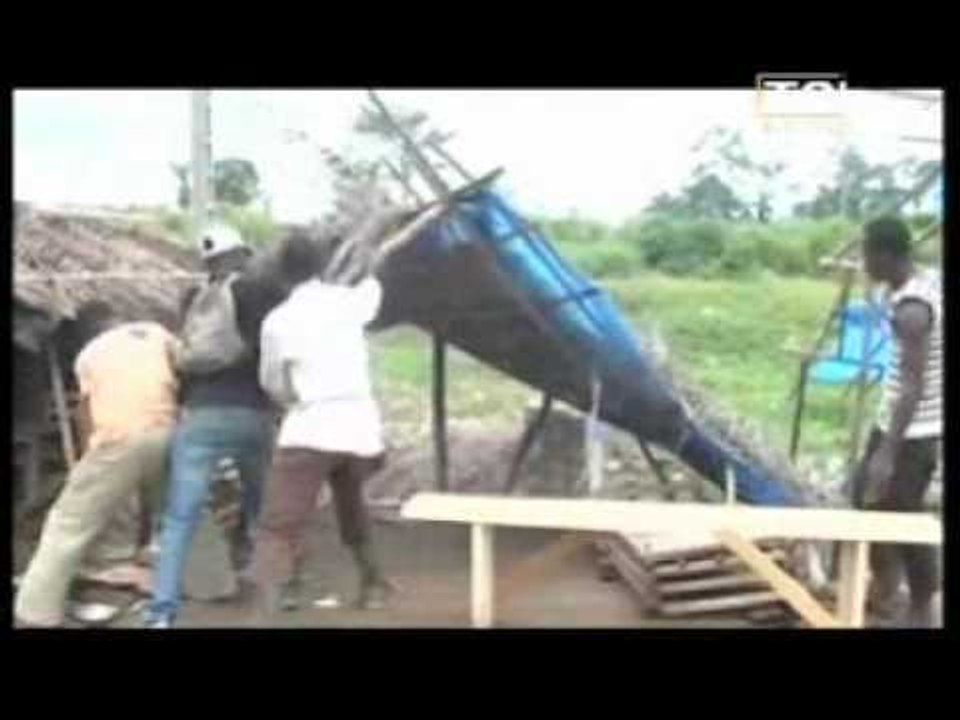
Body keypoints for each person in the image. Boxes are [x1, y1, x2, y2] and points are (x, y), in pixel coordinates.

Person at [251, 206, 448, 619]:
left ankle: (271, 608)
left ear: (282, 274)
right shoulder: (349, 304)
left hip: (310, 427)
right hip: (359, 430)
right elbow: (375, 276)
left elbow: (272, 381)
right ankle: (373, 584)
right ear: (322, 266)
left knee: (278, 525)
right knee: (351, 505)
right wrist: (399, 231)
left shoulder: (279, 321)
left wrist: (294, 400)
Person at [145, 224, 286, 628]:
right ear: (242, 254)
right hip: (252, 414)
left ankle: (161, 614)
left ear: (208, 261)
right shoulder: (260, 293)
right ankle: (270, 604)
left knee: (179, 518)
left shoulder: (194, 298)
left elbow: (184, 360)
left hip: (201, 416)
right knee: (264, 511)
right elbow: (272, 350)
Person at [15, 303, 180, 627]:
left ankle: (35, 611)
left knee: (68, 522)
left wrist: (88, 459)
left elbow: (86, 415)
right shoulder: (156, 333)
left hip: (120, 435)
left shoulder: (88, 355)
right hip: (168, 429)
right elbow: (185, 371)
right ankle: (212, 581)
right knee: (181, 511)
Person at [853, 216, 942, 628]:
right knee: (863, 497)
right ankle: (885, 587)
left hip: (912, 433)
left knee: (904, 516)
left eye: (866, 252)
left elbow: (912, 385)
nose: (863, 261)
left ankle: (922, 605)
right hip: (894, 424)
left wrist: (887, 454)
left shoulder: (912, 310)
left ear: (886, 255)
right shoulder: (910, 286)